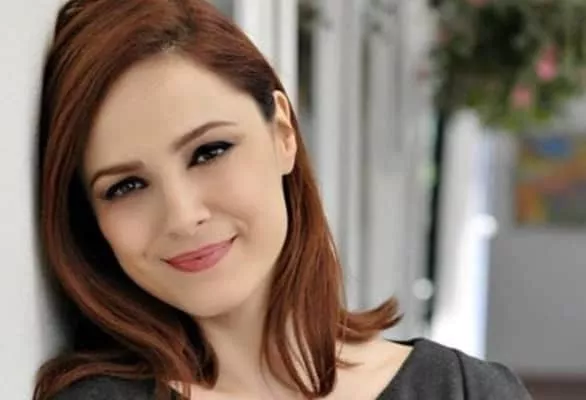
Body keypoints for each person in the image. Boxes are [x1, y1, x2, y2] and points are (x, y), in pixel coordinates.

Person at [34, 0, 532, 399]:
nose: (183, 216)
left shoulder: (466, 391)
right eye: (125, 186)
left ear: (282, 133)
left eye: (209, 152)